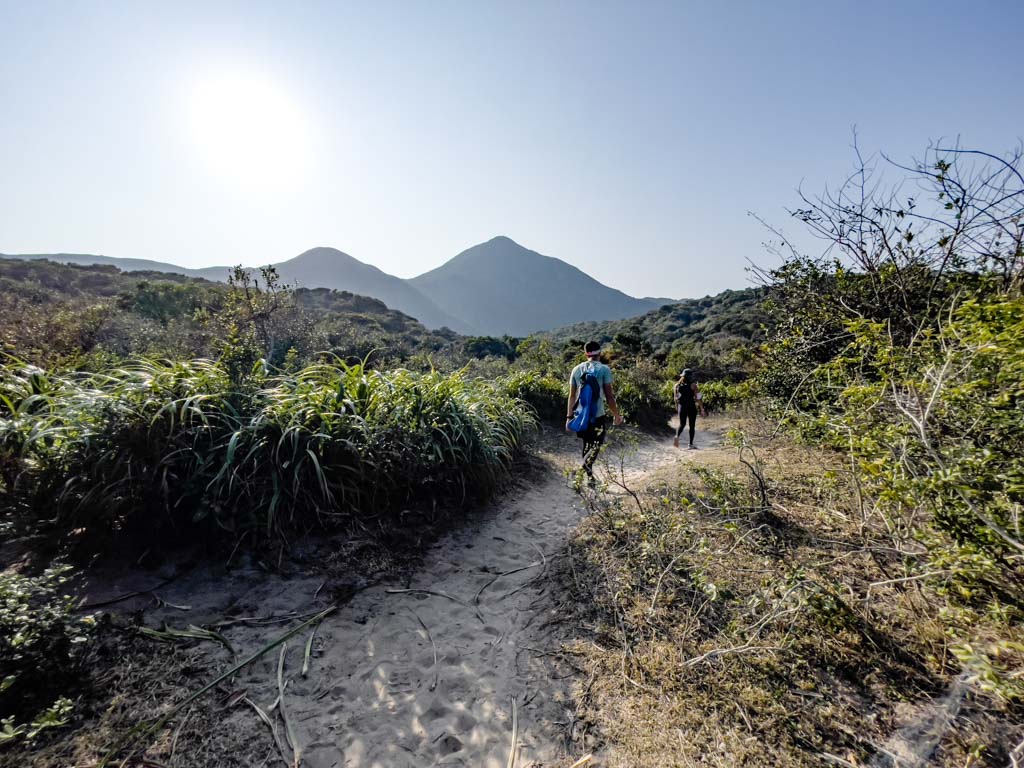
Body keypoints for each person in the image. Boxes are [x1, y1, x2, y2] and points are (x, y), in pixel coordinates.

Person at [566, 341, 624, 480]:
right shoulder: (604, 369)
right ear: (600, 353)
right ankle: (585, 471)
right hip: (597, 415)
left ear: (585, 354)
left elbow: (572, 396)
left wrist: (569, 417)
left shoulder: (576, 369)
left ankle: (588, 475)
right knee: (596, 444)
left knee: (586, 444)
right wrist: (617, 415)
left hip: (581, 416)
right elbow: (609, 396)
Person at [673, 368, 705, 449]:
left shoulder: (677, 386)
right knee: (692, 426)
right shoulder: (693, 386)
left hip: (682, 407)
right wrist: (702, 409)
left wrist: (677, 408)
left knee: (682, 424)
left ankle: (676, 436)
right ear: (690, 377)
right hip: (691, 407)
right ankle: (690, 444)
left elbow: (675, 399)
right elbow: (698, 398)